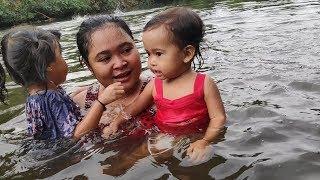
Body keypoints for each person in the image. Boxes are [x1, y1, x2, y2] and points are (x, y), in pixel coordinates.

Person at [103, 7, 227, 159]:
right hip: (164, 136)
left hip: (198, 135)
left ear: (187, 54)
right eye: (148, 54)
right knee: (137, 156)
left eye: (158, 54)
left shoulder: (204, 83)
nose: (151, 62)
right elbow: (134, 108)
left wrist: (205, 140)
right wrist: (116, 122)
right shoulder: (155, 85)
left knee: (197, 162)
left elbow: (218, 118)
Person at [0, 27, 125, 140]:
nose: (65, 62)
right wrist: (101, 102)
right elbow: (76, 135)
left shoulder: (37, 96)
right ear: (48, 65)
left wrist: (91, 89)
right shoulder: (52, 97)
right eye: (61, 55)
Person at [73, 15, 155, 138]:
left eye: (126, 50)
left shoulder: (163, 89)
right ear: (89, 66)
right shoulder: (81, 102)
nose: (120, 64)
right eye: (105, 58)